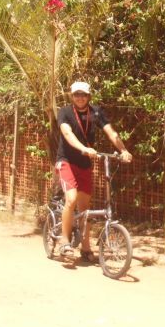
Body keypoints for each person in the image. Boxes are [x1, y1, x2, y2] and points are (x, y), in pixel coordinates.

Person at [56, 80, 132, 261]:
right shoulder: (65, 112)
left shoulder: (96, 112)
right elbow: (67, 134)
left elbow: (111, 132)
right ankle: (64, 241)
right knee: (71, 199)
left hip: (85, 164)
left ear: (88, 96)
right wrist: (84, 148)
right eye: (76, 94)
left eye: (83, 94)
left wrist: (123, 150)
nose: (80, 98)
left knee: (85, 208)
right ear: (72, 96)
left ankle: (86, 248)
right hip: (66, 161)